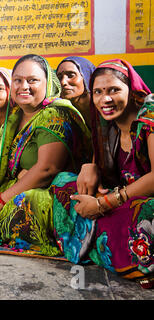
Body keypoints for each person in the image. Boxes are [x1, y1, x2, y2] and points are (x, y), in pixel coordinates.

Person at [0, 54, 92, 256]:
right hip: (17, 187)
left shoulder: (54, 113)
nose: (24, 86)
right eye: (18, 80)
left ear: (47, 83)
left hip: (51, 192)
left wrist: (2, 199)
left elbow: (47, 169)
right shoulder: (15, 117)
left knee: (28, 203)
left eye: (32, 80)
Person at [51, 59, 153, 288]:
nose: (105, 99)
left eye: (114, 90)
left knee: (137, 215)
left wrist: (102, 204)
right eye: (97, 92)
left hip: (144, 201)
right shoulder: (107, 124)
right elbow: (105, 174)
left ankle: (110, 244)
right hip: (123, 196)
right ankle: (105, 241)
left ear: (132, 90)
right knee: (63, 183)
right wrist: (91, 168)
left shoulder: (150, 115)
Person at [56, 56, 96, 128]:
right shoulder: (61, 114)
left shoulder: (104, 109)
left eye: (71, 75)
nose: (63, 82)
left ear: (87, 77)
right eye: (59, 78)